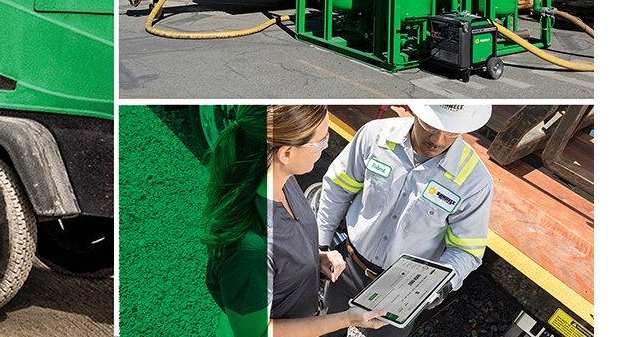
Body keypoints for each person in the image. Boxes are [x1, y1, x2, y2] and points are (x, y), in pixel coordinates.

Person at [202, 105, 388, 337]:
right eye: (320, 142)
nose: (327, 146)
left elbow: (286, 248)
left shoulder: (283, 180)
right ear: (286, 153)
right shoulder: (250, 248)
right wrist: (346, 318)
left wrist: (313, 257)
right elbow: (256, 333)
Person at [316, 104, 494, 337]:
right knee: (323, 331)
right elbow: (337, 188)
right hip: (348, 267)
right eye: (430, 126)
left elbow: (466, 250)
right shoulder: (375, 136)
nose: (438, 140)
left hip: (402, 290)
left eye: (451, 132)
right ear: (415, 112)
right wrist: (320, 243)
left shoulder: (474, 181)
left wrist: (438, 286)